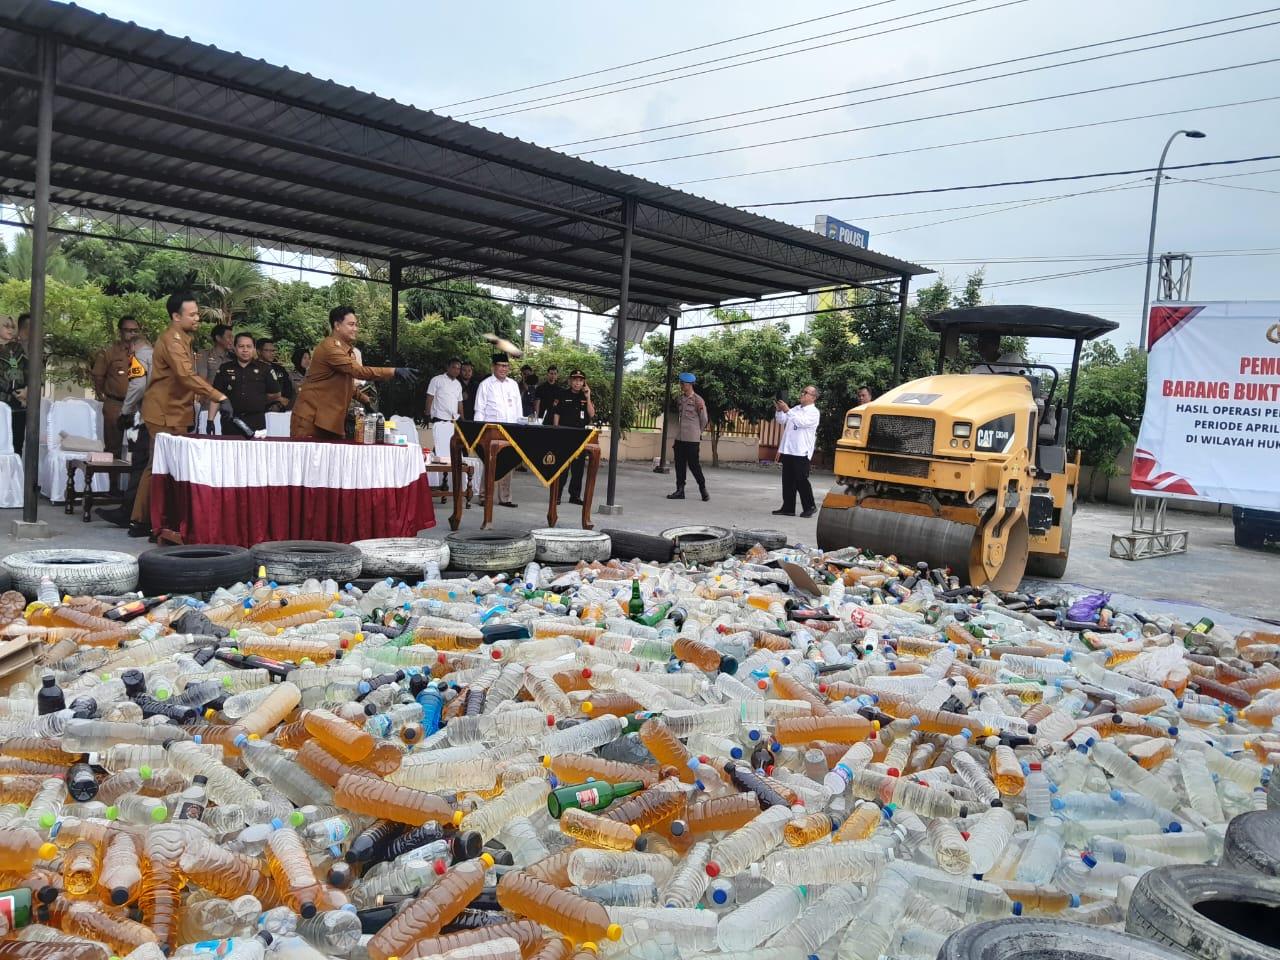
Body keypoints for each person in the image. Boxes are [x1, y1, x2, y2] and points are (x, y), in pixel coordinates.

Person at [130, 291, 227, 539]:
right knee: (160, 467)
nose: (198, 319)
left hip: (175, 411)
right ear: (176, 316)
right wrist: (218, 396)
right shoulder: (172, 340)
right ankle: (145, 520)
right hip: (163, 412)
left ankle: (148, 520)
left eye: (198, 314)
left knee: (162, 467)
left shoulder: (183, 338)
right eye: (192, 314)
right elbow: (185, 376)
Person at [291, 306, 415, 441]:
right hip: (311, 420)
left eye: (356, 325)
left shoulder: (345, 350)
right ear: (337, 325)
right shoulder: (330, 347)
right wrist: (394, 371)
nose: (355, 329)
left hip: (328, 421)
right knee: (308, 461)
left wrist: (365, 400)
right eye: (351, 324)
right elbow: (358, 371)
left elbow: (345, 383)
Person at [208, 332, 282, 434]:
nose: (245, 350)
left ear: (254, 349)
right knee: (230, 450)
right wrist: (210, 420)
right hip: (230, 421)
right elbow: (216, 396)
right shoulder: (225, 368)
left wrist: (259, 399)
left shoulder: (265, 369)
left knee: (255, 450)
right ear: (234, 348)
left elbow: (276, 393)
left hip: (256, 421)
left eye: (249, 346)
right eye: (241, 346)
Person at [474, 353, 523, 508]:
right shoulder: (485, 384)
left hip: (510, 429)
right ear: (493, 367)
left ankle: (505, 498)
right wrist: (479, 432)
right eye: (501, 365)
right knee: (489, 462)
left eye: (506, 366)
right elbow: (479, 409)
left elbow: (518, 408)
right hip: (491, 430)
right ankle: (484, 496)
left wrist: (520, 427)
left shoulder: (513, 384)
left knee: (508, 463)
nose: (504, 368)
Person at [91, 316, 142, 456]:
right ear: (120, 332)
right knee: (113, 450)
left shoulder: (144, 352)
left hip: (136, 406)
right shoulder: (109, 352)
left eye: (135, 331)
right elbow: (98, 375)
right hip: (115, 404)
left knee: (138, 450)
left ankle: (135, 479)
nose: (132, 334)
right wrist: (100, 393)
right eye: (128, 330)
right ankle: (113, 479)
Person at [773, 385, 821, 518]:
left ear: (813, 397)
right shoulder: (796, 408)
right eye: (803, 391)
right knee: (787, 480)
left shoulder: (814, 412)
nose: (802, 394)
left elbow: (801, 423)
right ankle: (788, 507)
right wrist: (779, 411)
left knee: (801, 480)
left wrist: (787, 410)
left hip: (801, 451)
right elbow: (781, 420)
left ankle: (810, 506)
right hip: (789, 449)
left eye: (806, 392)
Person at [552, 369, 594, 505]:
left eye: (581, 380)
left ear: (584, 383)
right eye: (575, 380)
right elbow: (556, 413)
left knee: (578, 468)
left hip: (579, 436)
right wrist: (556, 430)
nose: (577, 383)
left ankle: (574, 496)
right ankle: (557, 495)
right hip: (564, 434)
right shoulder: (563, 394)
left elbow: (591, 414)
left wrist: (588, 397)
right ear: (570, 381)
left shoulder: (584, 396)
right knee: (562, 467)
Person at [668, 372, 709, 502]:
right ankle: (680, 490)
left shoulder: (698, 400)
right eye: (680, 383)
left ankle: (703, 489)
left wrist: (697, 432)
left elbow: (704, 419)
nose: (681, 385)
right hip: (680, 438)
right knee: (679, 465)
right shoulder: (681, 399)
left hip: (692, 439)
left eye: (683, 384)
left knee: (694, 465)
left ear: (690, 384)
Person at [425, 358, 464, 481]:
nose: (456, 370)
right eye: (454, 367)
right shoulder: (437, 380)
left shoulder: (458, 384)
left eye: (458, 368)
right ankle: (433, 478)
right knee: (439, 448)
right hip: (439, 418)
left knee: (450, 449)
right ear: (448, 367)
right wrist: (427, 414)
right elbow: (430, 397)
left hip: (453, 421)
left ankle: (445, 479)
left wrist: (462, 418)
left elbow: (460, 402)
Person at [0, 315, 27, 454]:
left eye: (12, 327)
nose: (10, 329)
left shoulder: (18, 349)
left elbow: (29, 371)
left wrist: (28, 390)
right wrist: (13, 392)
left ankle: (15, 475)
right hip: (2, 403)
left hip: (19, 406)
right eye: (6, 326)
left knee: (17, 446)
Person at [256, 338, 294, 411]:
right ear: (258, 351)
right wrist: (275, 399)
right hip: (260, 410)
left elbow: (288, 387)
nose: (272, 353)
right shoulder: (251, 369)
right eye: (268, 350)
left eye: (273, 351)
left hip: (282, 408)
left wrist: (284, 400)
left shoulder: (280, 369)